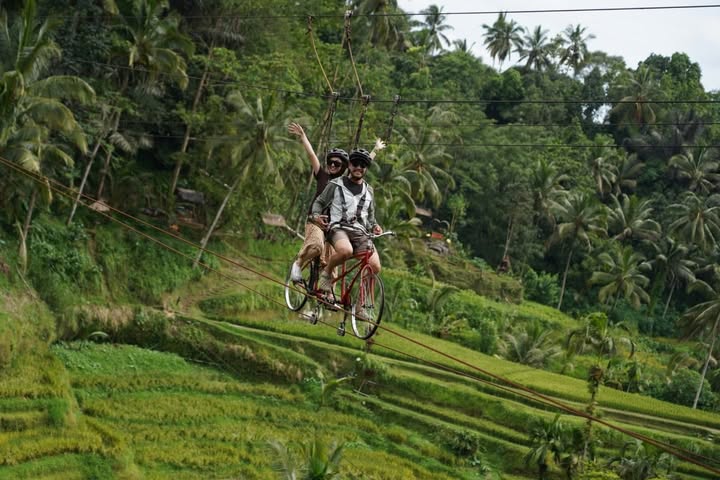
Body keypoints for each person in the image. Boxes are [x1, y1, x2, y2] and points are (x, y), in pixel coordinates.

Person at [289, 123, 385, 282]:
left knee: (333, 257)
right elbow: (312, 155)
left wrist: (376, 149)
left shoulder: (348, 181)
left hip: (338, 223)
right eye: (330, 163)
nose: (332, 165)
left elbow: (362, 165)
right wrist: (303, 137)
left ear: (344, 167)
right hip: (319, 220)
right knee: (317, 246)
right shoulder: (324, 176)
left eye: (337, 164)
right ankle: (298, 264)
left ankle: (328, 294)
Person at [310, 148, 383, 292]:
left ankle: (361, 305)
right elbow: (319, 202)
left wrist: (375, 226)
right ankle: (327, 272)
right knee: (346, 251)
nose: (359, 168)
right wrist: (316, 216)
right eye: (355, 163)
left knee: (375, 266)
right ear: (349, 165)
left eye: (363, 165)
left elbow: (371, 217)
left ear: (366, 169)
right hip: (338, 228)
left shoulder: (369, 191)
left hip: (360, 232)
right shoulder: (336, 184)